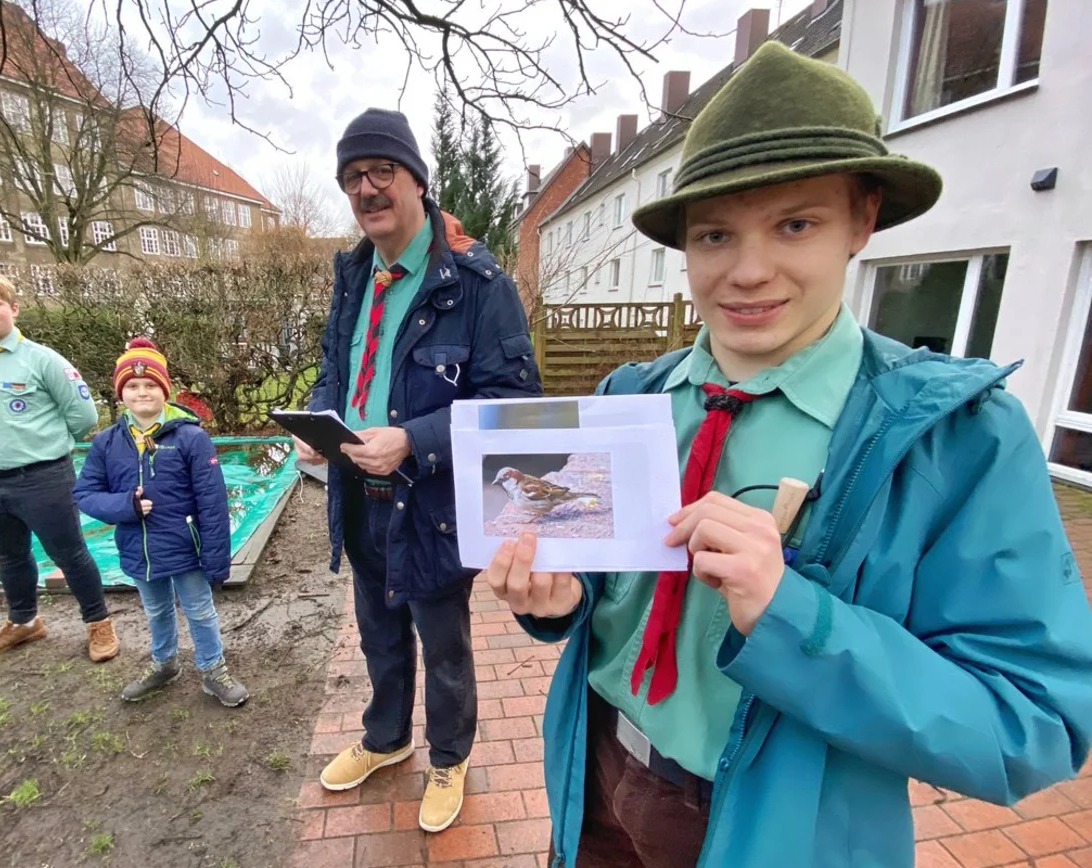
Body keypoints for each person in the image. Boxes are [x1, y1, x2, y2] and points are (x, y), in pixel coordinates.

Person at [482, 42, 1092, 868]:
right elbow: (599, 591)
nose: (747, 271)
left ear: (862, 220)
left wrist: (795, 616)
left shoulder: (961, 438)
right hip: (593, 779)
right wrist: (555, 602)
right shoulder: (632, 398)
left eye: (795, 224)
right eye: (715, 235)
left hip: (772, 835)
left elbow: (1036, 725)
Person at [300, 108, 542, 832]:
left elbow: (513, 405)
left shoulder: (475, 282)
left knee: (443, 642)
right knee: (377, 630)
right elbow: (332, 370)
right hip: (358, 492)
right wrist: (316, 420)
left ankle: (449, 755)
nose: (366, 190)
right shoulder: (351, 273)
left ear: (416, 180)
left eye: (381, 173)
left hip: (431, 499)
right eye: (352, 179)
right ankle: (386, 739)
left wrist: (412, 439)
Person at [0, 270, 119, 663]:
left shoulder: (42, 360)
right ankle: (23, 621)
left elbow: (82, 416)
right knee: (8, 557)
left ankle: (98, 622)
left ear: (13, 309)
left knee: (70, 554)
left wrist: (41, 444)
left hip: (42, 477)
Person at [73, 338, 248, 707]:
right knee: (155, 609)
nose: (142, 392)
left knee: (200, 610)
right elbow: (85, 492)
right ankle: (164, 663)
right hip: (138, 549)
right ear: (121, 393)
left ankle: (213, 668)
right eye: (132, 386)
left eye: (150, 384)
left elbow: (213, 504)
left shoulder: (191, 438)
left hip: (186, 548)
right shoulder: (107, 443)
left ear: (164, 390)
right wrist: (125, 506)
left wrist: (217, 558)